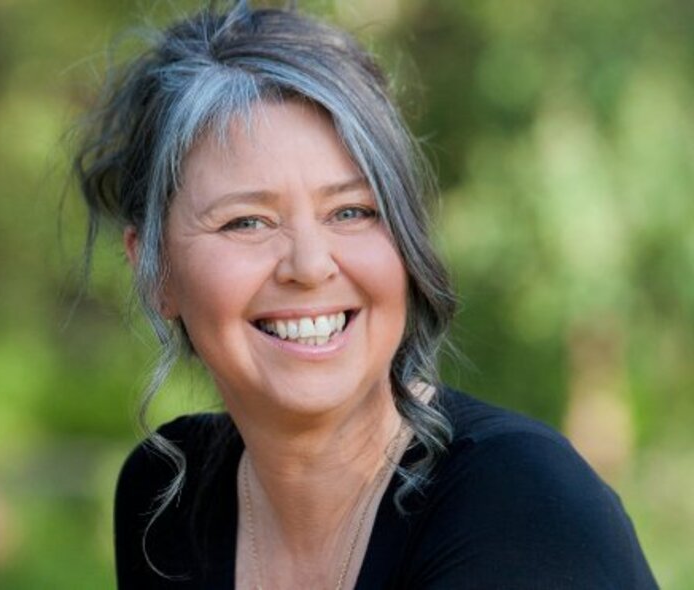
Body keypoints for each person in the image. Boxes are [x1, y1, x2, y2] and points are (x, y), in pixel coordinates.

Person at [75, 2, 658, 588]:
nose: (309, 265)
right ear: (156, 272)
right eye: (246, 222)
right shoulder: (165, 504)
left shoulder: (516, 506)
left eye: (351, 211)